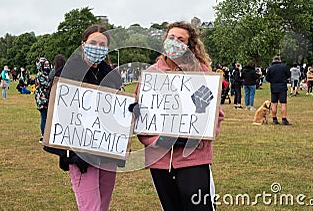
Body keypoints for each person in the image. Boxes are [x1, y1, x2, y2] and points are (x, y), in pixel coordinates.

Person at [136, 21, 224, 211]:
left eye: (181, 39)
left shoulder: (201, 73)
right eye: (171, 37)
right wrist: (156, 140)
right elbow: (141, 117)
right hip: (159, 159)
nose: (175, 42)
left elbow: (216, 115)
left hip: (193, 156)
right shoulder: (151, 74)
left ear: (189, 46)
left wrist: (198, 135)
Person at [60, 25, 124, 211]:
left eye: (102, 44)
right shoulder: (68, 72)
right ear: (83, 44)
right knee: (91, 207)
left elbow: (117, 109)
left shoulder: (111, 75)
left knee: (102, 205)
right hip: (81, 152)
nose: (97, 47)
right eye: (93, 43)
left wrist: (129, 110)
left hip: (107, 152)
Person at [265, 56, 291, 125]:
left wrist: (272, 81)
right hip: (282, 87)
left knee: (274, 103)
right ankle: (284, 119)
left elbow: (267, 78)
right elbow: (288, 75)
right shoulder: (284, 67)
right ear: (280, 60)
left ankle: (274, 119)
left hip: (274, 87)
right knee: (283, 103)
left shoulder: (270, 68)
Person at [34, 57, 52, 143]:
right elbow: (47, 85)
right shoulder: (40, 75)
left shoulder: (49, 74)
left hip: (48, 98)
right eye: (45, 65)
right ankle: (43, 135)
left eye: (48, 64)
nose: (47, 66)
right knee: (44, 117)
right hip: (42, 99)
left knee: (48, 118)